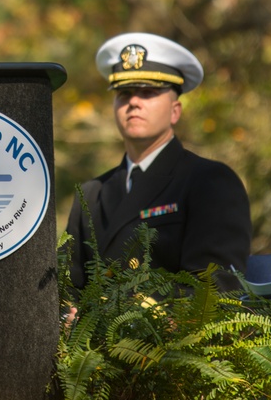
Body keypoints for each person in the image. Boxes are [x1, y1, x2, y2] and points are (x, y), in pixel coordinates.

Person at [64, 32, 252, 289]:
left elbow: (214, 287)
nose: (133, 102)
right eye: (124, 93)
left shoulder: (209, 182)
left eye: (148, 92)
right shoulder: (91, 194)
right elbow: (69, 288)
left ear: (175, 111)